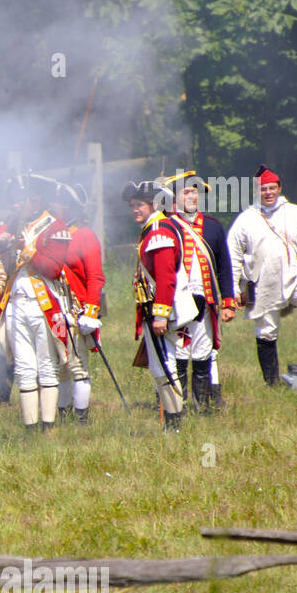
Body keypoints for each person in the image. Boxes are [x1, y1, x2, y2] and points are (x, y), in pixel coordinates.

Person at [0, 173, 72, 431]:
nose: (20, 202)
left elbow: (53, 269)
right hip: (15, 303)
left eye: (25, 197)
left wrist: (28, 250)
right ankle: (30, 427)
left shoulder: (55, 226)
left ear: (38, 198)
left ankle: (48, 426)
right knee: (23, 367)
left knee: (46, 366)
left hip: (42, 303)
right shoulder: (14, 223)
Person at [227, 166, 297, 385]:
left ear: (279, 188)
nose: (268, 192)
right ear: (256, 192)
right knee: (266, 332)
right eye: (263, 189)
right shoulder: (245, 219)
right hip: (264, 283)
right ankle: (272, 383)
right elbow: (233, 256)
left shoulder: (295, 212)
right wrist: (233, 290)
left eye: (272, 188)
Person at [164, 172, 234, 412]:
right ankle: (179, 403)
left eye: (195, 191)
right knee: (180, 350)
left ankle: (202, 404)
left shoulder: (213, 227)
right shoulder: (168, 226)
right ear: (174, 198)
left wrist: (228, 302)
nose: (192, 196)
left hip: (206, 299)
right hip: (178, 300)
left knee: (203, 350)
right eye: (186, 192)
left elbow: (224, 266)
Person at [129, 180, 194, 432]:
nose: (135, 209)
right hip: (158, 309)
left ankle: (174, 424)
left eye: (140, 205)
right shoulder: (153, 228)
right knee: (161, 368)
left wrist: (160, 314)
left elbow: (166, 277)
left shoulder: (157, 231)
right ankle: (172, 421)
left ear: (154, 204)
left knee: (165, 368)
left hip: (163, 311)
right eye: (133, 205)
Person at [50, 183, 105, 424]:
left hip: (76, 310)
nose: (54, 207)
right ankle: (62, 415)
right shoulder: (51, 236)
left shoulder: (84, 235)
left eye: (59, 203)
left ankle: (81, 418)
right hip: (53, 311)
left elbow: (95, 277)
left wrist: (90, 313)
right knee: (58, 366)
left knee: (78, 367)